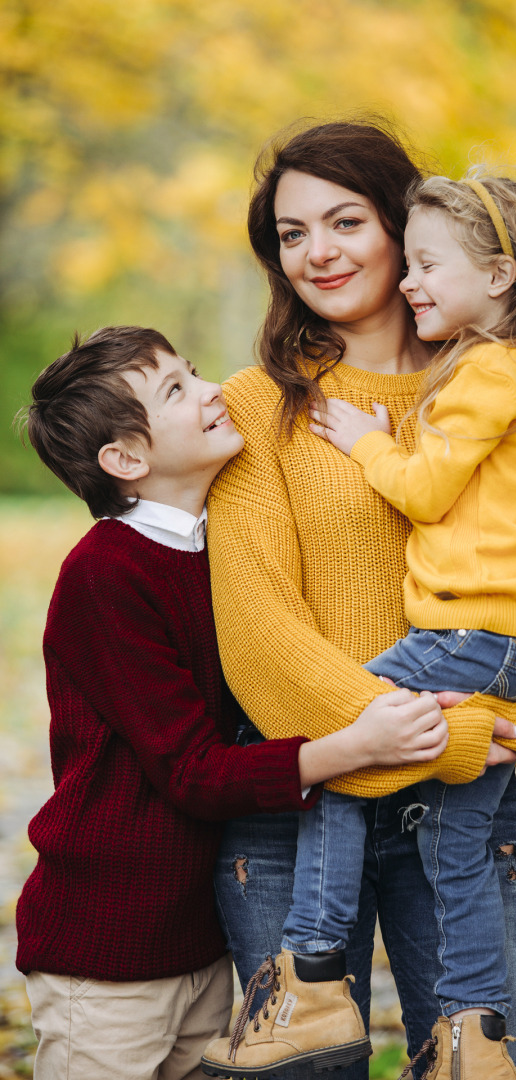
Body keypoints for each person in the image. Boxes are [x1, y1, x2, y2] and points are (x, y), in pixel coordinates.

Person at [201, 122, 516, 1080]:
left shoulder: (498, 389)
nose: (319, 252)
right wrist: (408, 731)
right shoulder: (259, 406)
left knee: (471, 1066)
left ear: (407, 227)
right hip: (299, 799)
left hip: (466, 803)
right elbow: (256, 632)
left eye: (345, 221)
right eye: (292, 234)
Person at [15, 325, 449, 1080]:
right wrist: (357, 746)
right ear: (126, 459)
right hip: (108, 956)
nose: (214, 390)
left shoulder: (220, 544)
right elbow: (193, 770)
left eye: (193, 371)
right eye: (176, 391)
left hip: (203, 950)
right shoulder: (107, 575)